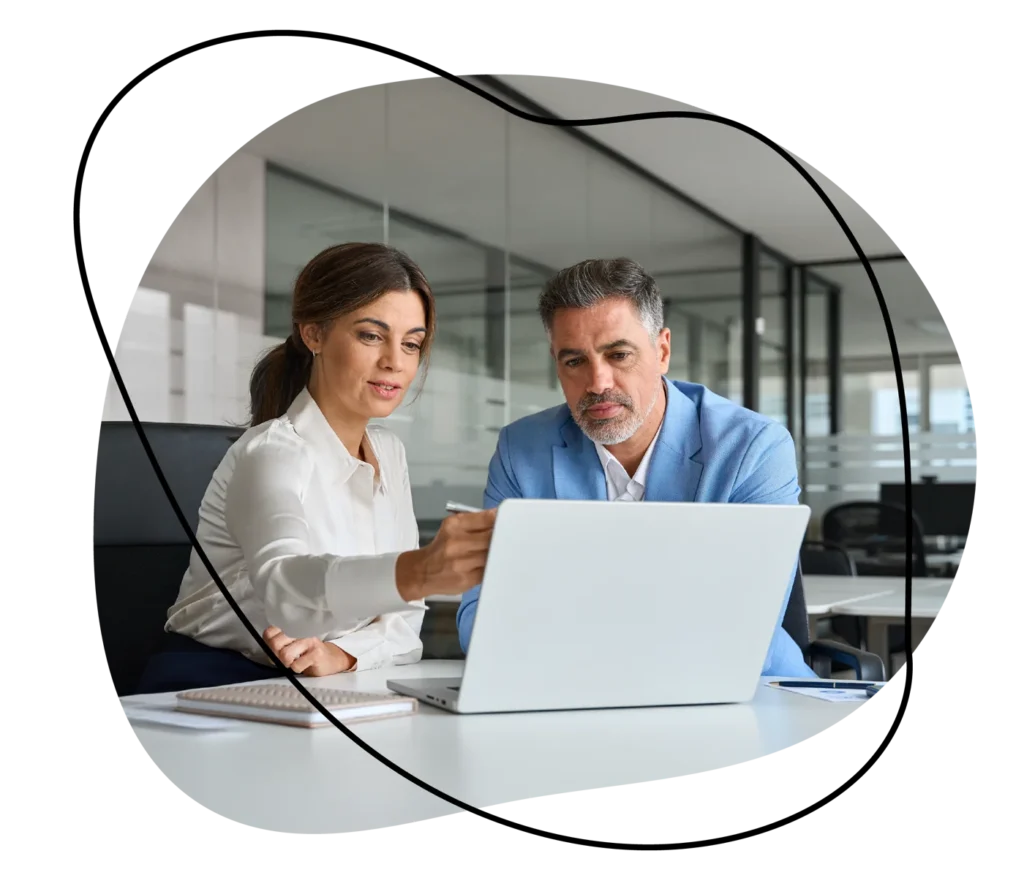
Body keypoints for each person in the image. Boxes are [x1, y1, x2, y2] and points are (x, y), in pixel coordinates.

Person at [136, 243, 496, 694]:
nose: (396, 361)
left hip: (326, 682)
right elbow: (284, 589)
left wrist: (344, 654)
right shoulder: (271, 452)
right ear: (314, 335)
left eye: (411, 343)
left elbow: (405, 628)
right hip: (210, 683)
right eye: (371, 335)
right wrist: (420, 571)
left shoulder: (390, 453)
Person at [456, 257, 817, 679]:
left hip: (738, 689)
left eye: (619, 354)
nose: (598, 382)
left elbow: (743, 624)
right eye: (574, 361)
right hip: (567, 688)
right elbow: (480, 616)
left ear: (662, 351)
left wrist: (560, 621)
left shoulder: (751, 448)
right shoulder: (522, 449)